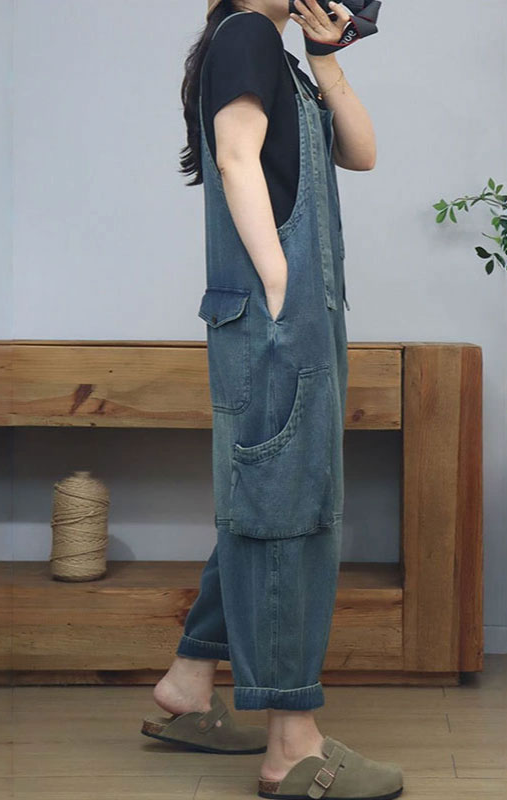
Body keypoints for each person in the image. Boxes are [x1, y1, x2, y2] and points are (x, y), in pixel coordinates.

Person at [142, 1, 403, 797]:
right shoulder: (248, 33)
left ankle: (190, 683)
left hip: (292, 322)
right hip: (280, 321)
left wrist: (327, 55)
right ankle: (292, 746)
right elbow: (236, 153)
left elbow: (363, 153)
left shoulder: (275, 54)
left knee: (266, 500)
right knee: (288, 513)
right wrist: (280, 278)